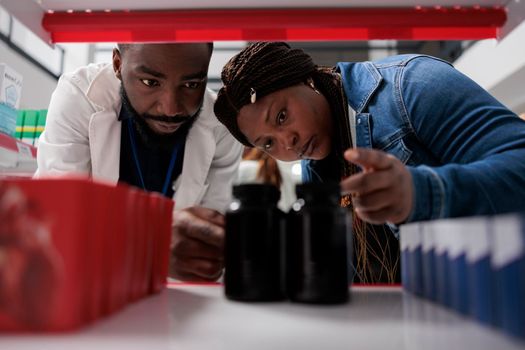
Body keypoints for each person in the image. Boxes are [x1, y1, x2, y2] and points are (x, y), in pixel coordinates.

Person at [214, 42, 525, 282]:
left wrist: (421, 194)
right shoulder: (316, 172)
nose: (287, 142)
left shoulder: (411, 85)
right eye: (268, 142)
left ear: (306, 79)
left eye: (282, 116)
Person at [35, 43, 243, 282]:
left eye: (191, 85)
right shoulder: (78, 97)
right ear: (118, 64)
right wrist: (149, 248)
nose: (171, 109)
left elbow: (208, 248)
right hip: (88, 284)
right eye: (150, 82)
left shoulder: (222, 127)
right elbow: (57, 224)